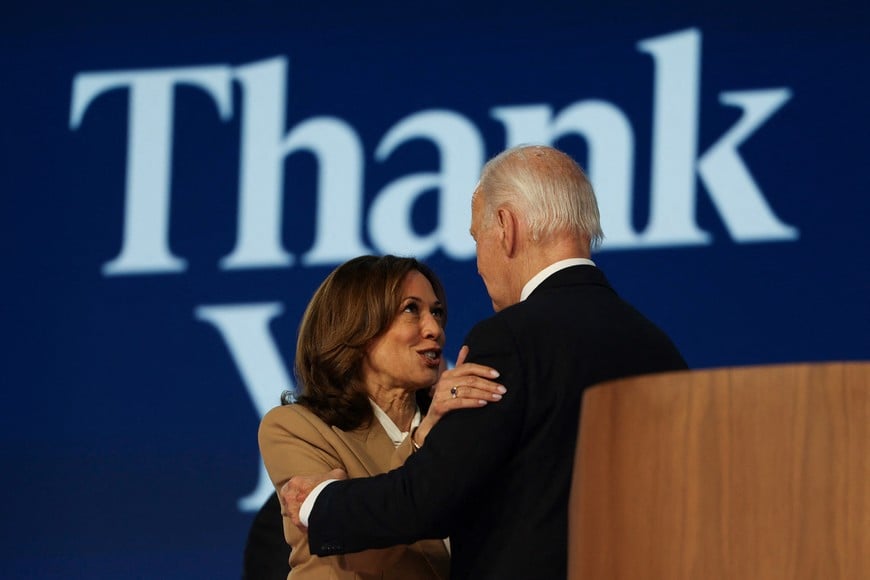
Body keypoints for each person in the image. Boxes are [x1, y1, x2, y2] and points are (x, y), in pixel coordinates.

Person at [280, 144, 689, 579]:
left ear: (506, 227)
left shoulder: (510, 339)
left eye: (478, 239)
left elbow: (430, 499)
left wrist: (319, 501)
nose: (478, 265)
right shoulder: (658, 347)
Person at [258, 254, 505, 579]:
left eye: (437, 312)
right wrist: (423, 440)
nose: (435, 329)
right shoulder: (296, 428)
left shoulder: (459, 429)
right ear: (357, 326)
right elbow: (362, 549)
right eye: (411, 309)